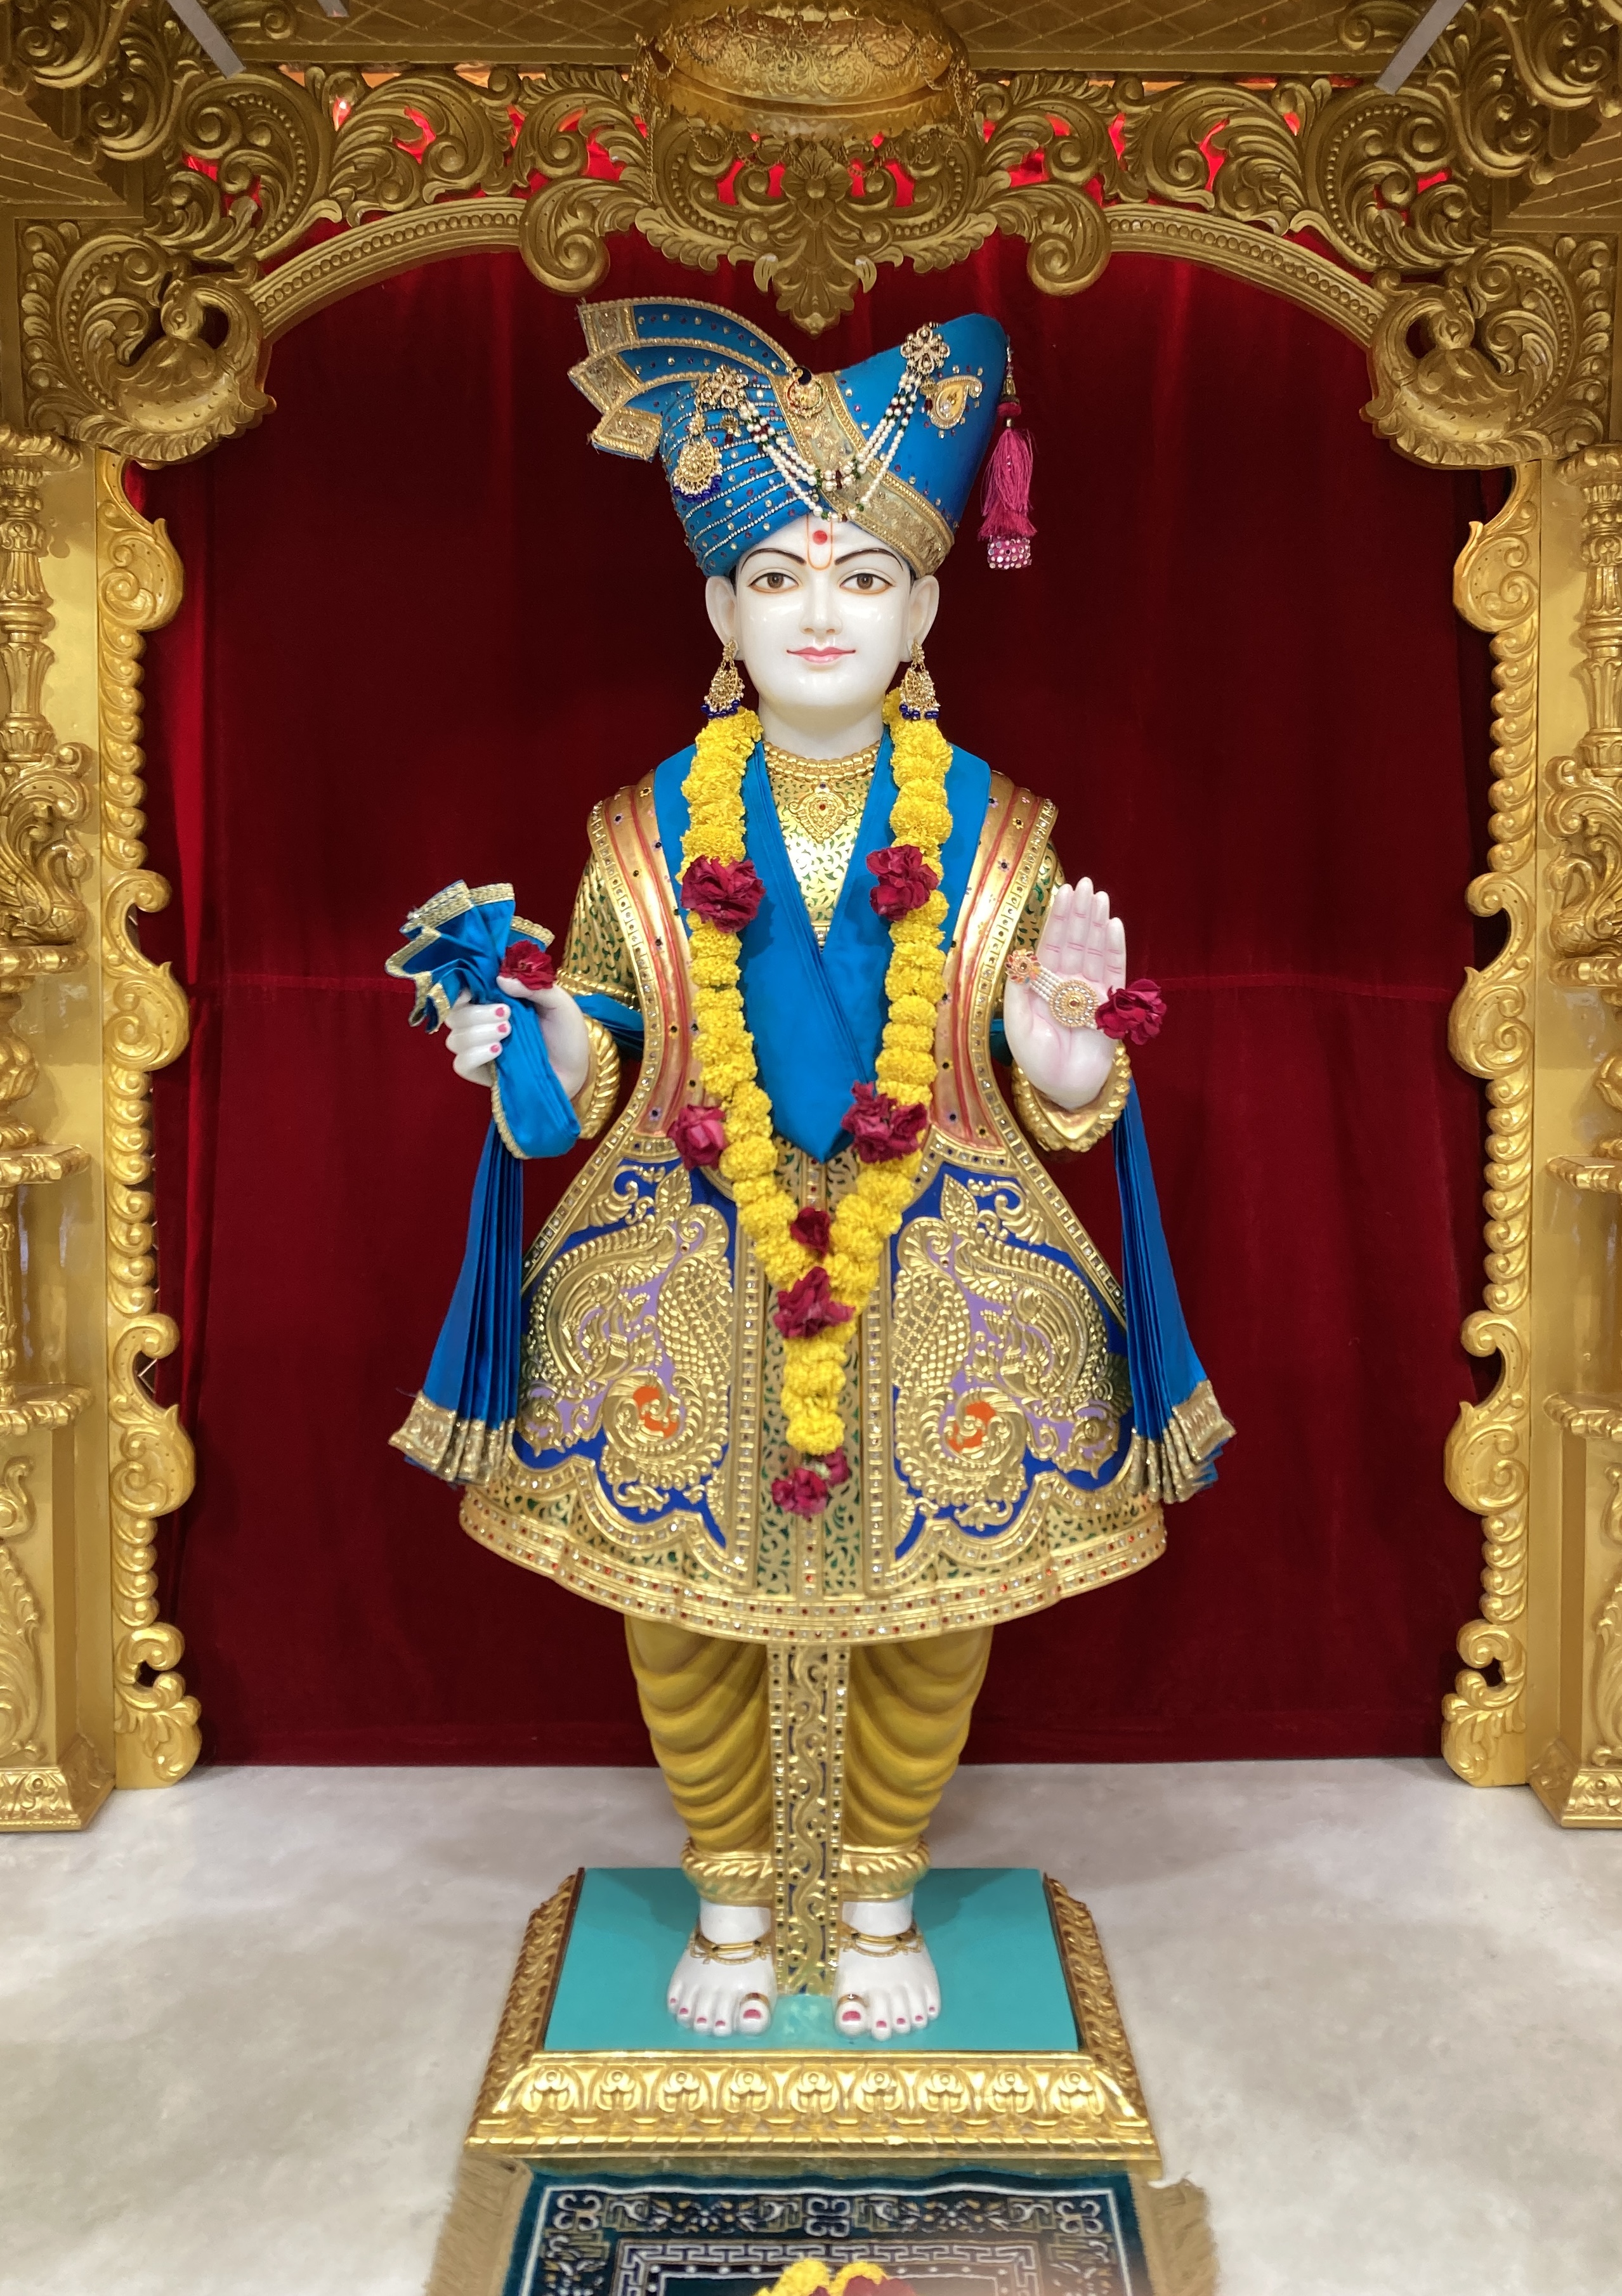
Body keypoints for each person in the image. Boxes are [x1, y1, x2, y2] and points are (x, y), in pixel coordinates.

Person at [393, 300, 1230, 2042]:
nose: (821, 612)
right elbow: (607, 1031)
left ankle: (872, 1893)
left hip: (939, 1260)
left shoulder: (1001, 823)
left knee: (932, 1613)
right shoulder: (643, 823)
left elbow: (1053, 1069)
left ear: (924, 609)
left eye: (863, 577)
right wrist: (526, 1042)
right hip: (691, 1259)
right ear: (721, 613)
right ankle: (726, 1887)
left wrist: (1071, 1048)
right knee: (682, 1616)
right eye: (776, 577)